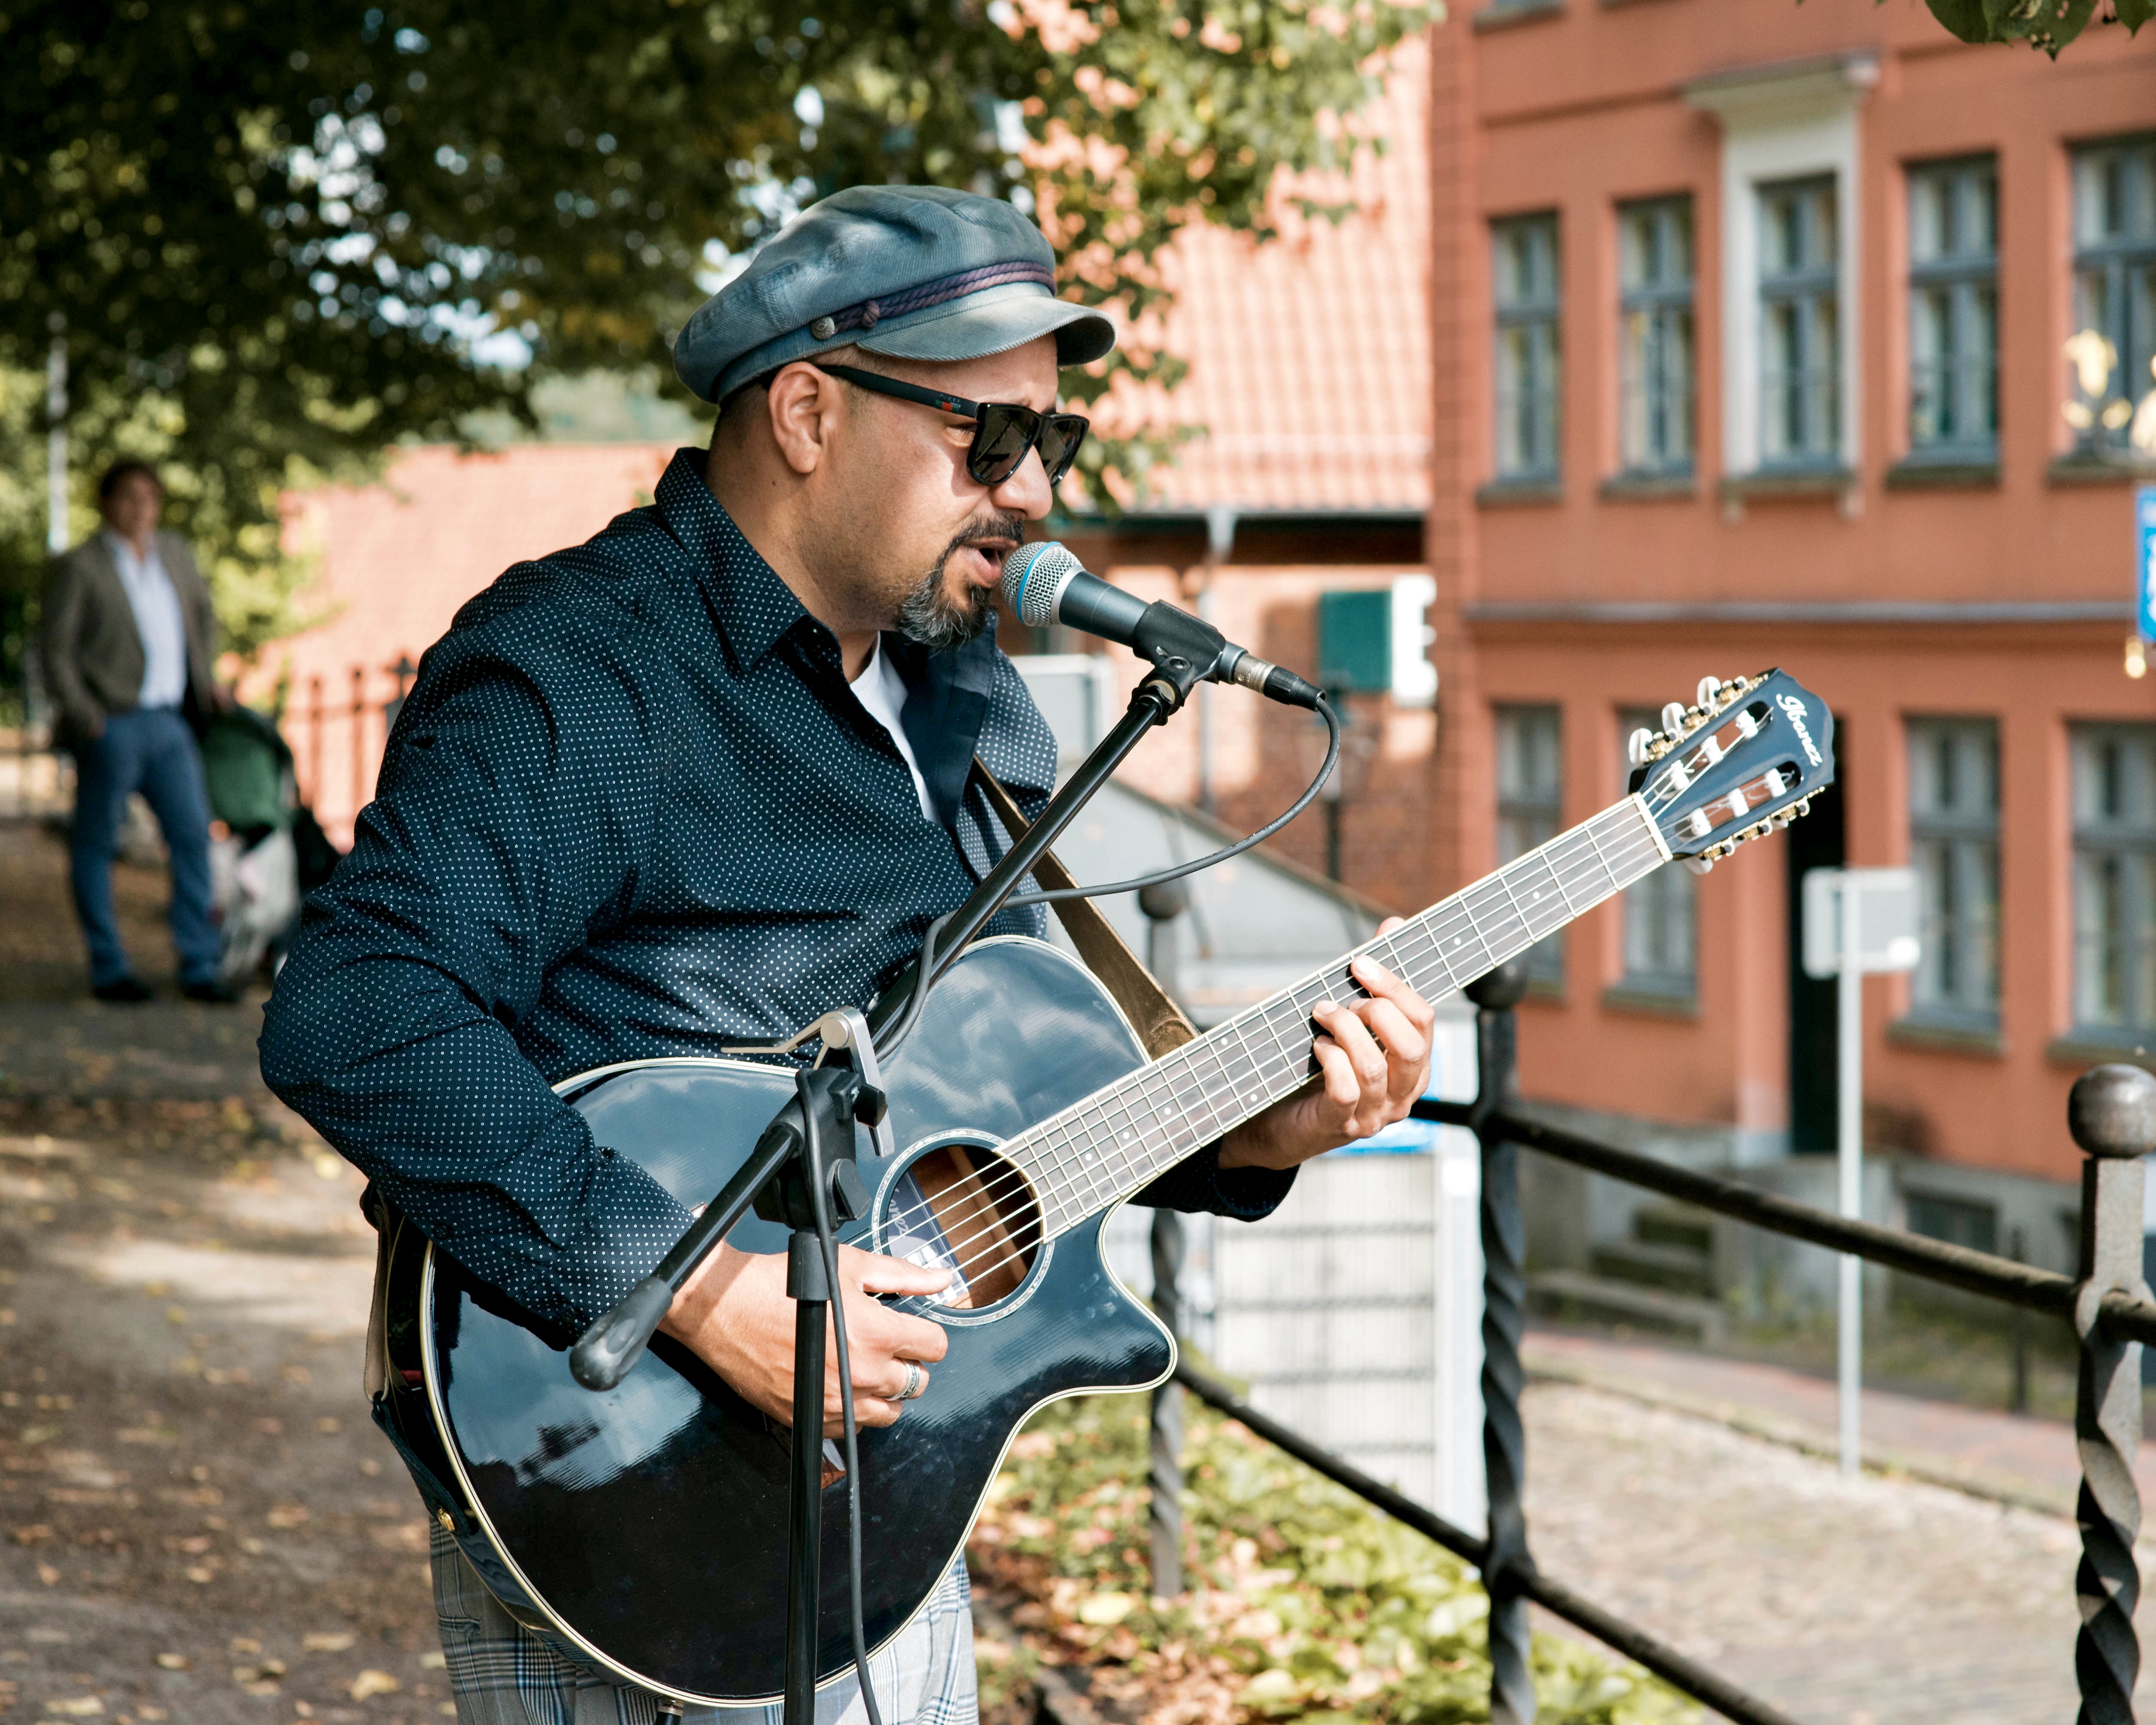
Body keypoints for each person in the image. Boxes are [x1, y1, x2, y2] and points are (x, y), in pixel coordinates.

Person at [259, 185, 1436, 1725]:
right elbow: (357, 1010)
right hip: (625, 1476)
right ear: (808, 413)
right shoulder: (585, 669)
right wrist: (695, 1287)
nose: (1030, 493)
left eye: (1051, 444)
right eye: (985, 439)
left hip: (882, 1491)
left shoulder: (967, 697)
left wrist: (1259, 1130)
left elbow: (999, 1095)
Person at [41, 460, 238, 1006]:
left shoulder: (174, 554)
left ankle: (199, 963)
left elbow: (202, 616)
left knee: (194, 837)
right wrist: (88, 716)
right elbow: (54, 649)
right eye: (129, 497)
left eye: (149, 497)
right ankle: (110, 967)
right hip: (113, 722)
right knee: (97, 842)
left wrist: (208, 677)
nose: (140, 508)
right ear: (107, 502)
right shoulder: (80, 565)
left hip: (171, 720)